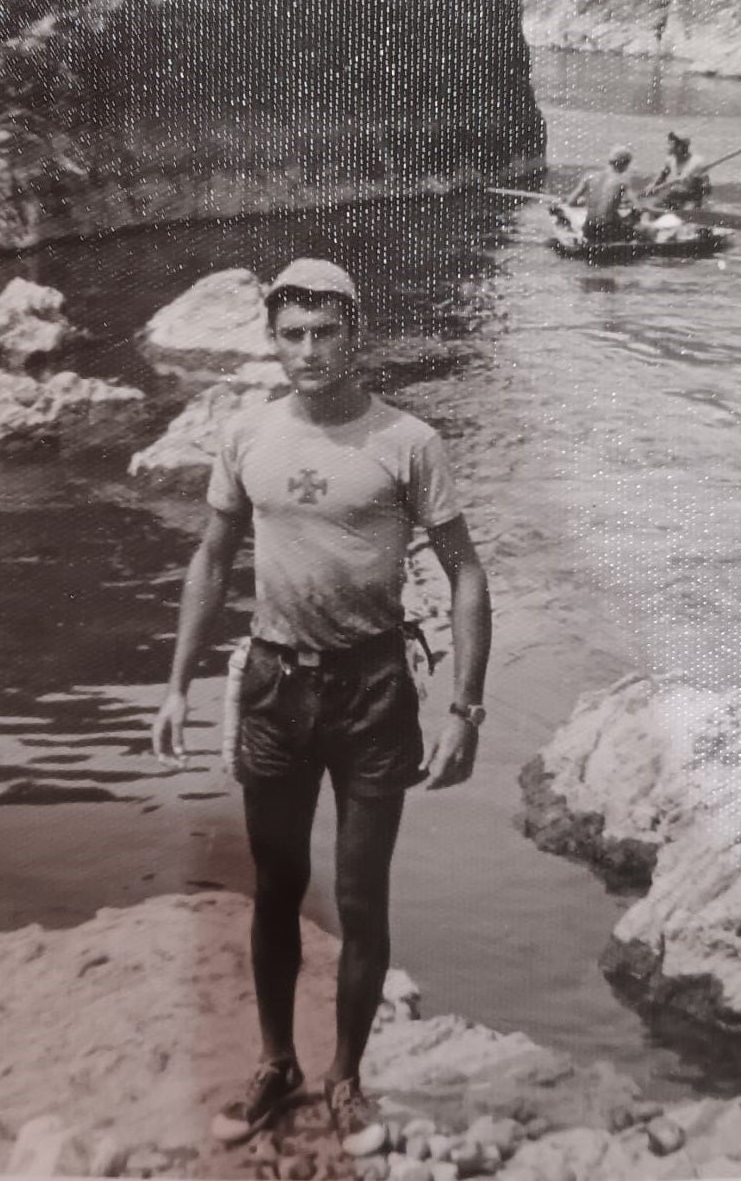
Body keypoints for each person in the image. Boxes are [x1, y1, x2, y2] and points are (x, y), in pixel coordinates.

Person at [151, 258, 491, 1158]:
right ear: (272, 337)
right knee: (273, 889)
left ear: (355, 334)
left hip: (373, 688)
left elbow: (464, 570)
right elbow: (212, 559)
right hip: (271, 684)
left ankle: (343, 1074)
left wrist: (465, 706)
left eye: (324, 332)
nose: (307, 350)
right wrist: (179, 681)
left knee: (360, 898)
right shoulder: (246, 434)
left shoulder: (406, 440)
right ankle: (275, 1064)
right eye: (291, 333)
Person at [566, 146, 640, 243]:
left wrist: (587, 203)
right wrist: (630, 218)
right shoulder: (622, 181)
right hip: (608, 229)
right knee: (642, 232)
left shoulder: (589, 176)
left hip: (589, 228)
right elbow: (639, 207)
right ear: (625, 164)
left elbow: (570, 202)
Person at [642, 131, 712, 209]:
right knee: (655, 206)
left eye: (672, 145)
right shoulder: (670, 159)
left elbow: (707, 188)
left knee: (688, 210)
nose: (669, 148)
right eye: (669, 144)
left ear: (681, 147)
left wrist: (705, 203)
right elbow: (663, 175)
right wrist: (653, 185)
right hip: (674, 195)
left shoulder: (698, 162)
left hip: (691, 198)